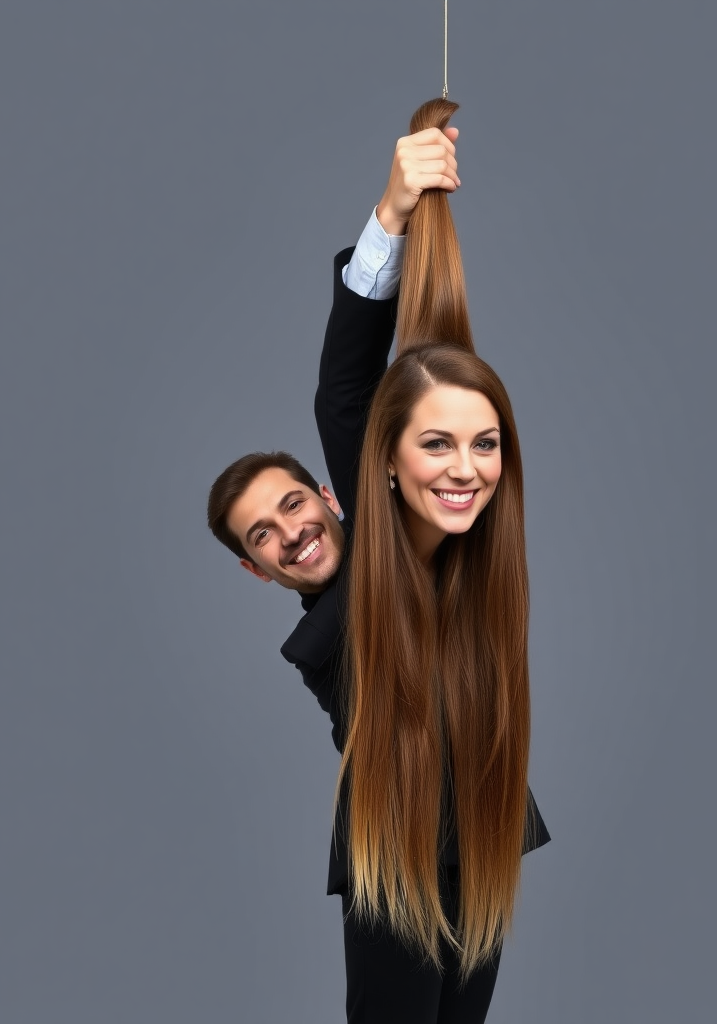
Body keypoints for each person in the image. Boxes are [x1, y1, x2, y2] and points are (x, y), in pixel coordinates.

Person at [207, 119, 548, 1022]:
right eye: (262, 538)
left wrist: (400, 213)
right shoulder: (325, 633)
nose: (288, 533)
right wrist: (392, 210)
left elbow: (373, 395)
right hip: (392, 847)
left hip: (481, 830)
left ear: (334, 492)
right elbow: (351, 400)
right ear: (258, 571)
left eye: (292, 505)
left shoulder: (434, 519)